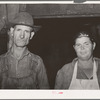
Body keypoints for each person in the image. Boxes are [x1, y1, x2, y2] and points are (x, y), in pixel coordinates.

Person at [0, 12, 49, 89]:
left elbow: (45, 93)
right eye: (19, 30)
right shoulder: (1, 61)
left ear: (31, 35)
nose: (22, 35)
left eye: (26, 31)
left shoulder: (37, 62)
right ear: (12, 32)